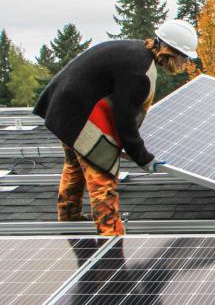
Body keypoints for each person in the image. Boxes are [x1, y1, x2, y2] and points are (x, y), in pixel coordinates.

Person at [33, 19, 198, 235]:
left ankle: (69, 219)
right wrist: (144, 158)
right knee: (102, 179)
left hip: (64, 110)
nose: (185, 63)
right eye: (184, 57)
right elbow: (124, 120)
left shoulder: (137, 52)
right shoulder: (140, 72)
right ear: (170, 51)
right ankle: (110, 240)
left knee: (75, 165)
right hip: (80, 115)